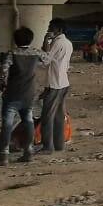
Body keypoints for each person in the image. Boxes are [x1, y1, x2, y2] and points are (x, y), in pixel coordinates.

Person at [0, 27, 42, 165]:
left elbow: (3, 71)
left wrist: (1, 84)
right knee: (28, 122)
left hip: (13, 93)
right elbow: (48, 60)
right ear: (31, 39)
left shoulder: (12, 54)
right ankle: (28, 152)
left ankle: (3, 156)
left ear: (15, 40)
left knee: (7, 124)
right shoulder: (36, 53)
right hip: (29, 93)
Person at [39, 18, 72, 154]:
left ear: (58, 29)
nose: (49, 29)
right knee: (59, 116)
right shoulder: (68, 43)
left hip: (54, 83)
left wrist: (46, 42)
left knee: (47, 117)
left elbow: (45, 60)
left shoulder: (56, 43)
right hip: (64, 82)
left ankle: (47, 146)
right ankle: (59, 144)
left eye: (51, 27)